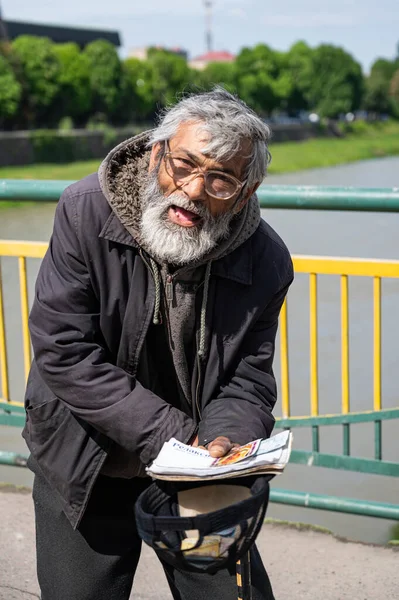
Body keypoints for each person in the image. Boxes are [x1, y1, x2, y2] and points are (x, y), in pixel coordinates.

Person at [23, 87, 293, 600]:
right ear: (155, 155)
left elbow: (248, 377)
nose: (192, 190)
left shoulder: (266, 259)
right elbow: (64, 349)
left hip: (193, 466)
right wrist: (175, 436)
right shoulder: (84, 212)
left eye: (219, 178)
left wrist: (222, 441)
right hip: (84, 455)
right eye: (183, 165)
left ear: (247, 189)